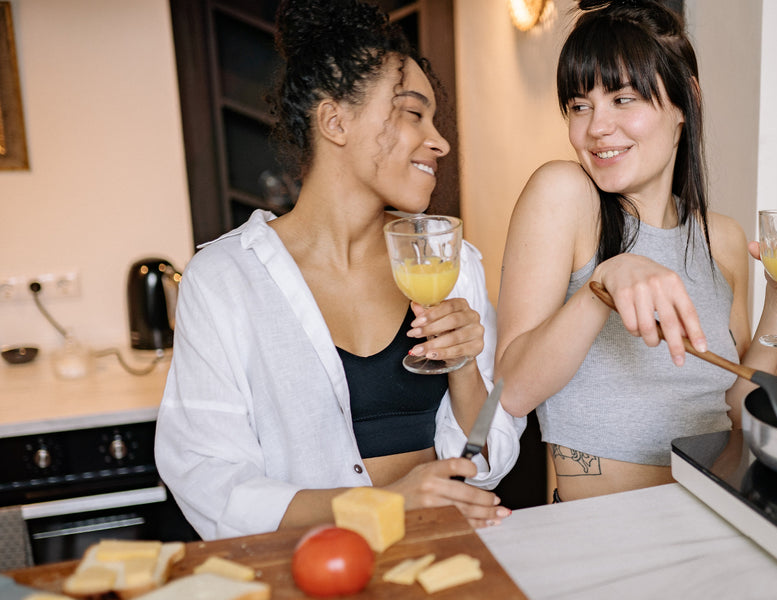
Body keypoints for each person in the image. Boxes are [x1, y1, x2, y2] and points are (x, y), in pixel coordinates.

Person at [155, 0, 524, 540]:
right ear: (335, 121)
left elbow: (486, 456)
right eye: (412, 113)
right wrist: (383, 505)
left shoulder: (450, 262)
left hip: (439, 554)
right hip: (314, 568)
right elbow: (208, 479)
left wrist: (466, 365)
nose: (440, 140)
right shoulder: (225, 281)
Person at [495, 0, 777, 502]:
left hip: (721, 511)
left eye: (623, 99)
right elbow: (511, 389)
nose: (596, 127)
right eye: (579, 105)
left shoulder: (720, 238)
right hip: (605, 531)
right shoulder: (565, 194)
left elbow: (738, 405)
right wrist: (603, 285)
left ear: (684, 102)